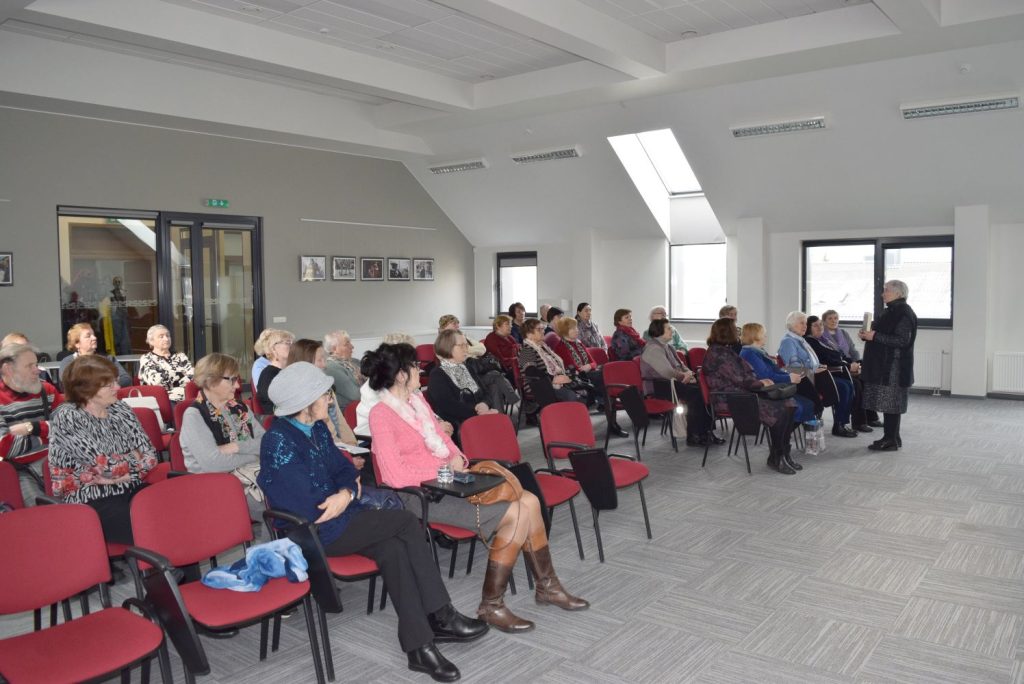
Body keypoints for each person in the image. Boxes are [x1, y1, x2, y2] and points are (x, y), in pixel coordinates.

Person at [257, 362, 488, 681]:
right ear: (304, 402)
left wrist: (346, 493)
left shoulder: (317, 429)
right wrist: (345, 494)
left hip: (345, 516)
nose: (330, 399)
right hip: (312, 531)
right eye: (324, 394)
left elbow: (345, 471)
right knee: (406, 522)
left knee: (394, 550)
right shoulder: (278, 441)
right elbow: (312, 508)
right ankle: (441, 614)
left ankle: (419, 647)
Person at [366, 343, 588, 634]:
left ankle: (547, 586)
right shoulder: (381, 414)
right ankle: (492, 604)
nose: (420, 370)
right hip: (421, 495)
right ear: (400, 375)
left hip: (452, 483)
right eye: (414, 366)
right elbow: (395, 476)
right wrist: (445, 470)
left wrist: (458, 457)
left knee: (531, 501)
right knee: (517, 513)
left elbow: (444, 440)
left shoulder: (417, 402)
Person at [48, 355, 157, 542]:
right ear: (87, 390)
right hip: (89, 498)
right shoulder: (68, 417)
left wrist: (122, 476)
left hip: (131, 487)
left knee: (173, 513)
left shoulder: (120, 409)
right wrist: (134, 457)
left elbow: (152, 456)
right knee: (152, 528)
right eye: (109, 384)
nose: (118, 387)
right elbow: (105, 467)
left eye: (116, 381)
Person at [703, 319, 799, 475]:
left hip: (741, 394)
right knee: (780, 409)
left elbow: (743, 377)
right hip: (729, 399)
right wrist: (760, 383)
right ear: (726, 332)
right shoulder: (718, 354)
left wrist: (760, 382)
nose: (738, 332)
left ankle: (783, 453)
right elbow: (740, 379)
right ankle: (777, 457)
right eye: (735, 329)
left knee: (789, 404)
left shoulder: (724, 350)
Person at [179, 353, 265, 522]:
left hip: (251, 475)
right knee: (275, 505)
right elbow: (214, 464)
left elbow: (266, 443)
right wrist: (255, 455)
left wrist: (237, 447)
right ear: (211, 381)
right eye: (231, 380)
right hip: (216, 485)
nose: (238, 385)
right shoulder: (195, 415)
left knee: (290, 496)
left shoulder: (239, 408)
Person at [0, 342, 65, 502]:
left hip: (60, 463)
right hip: (23, 472)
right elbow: (5, 447)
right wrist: (46, 435)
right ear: (8, 369)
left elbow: (68, 427)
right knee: (39, 511)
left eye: (36, 364)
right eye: (29, 366)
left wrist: (32, 427)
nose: (38, 370)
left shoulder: (47, 390)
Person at [859, 279, 918, 451]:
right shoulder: (890, 311)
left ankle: (890, 439)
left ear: (898, 293)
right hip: (886, 364)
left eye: (886, 290)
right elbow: (881, 331)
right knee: (890, 403)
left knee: (891, 403)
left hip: (894, 366)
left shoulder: (903, 313)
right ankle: (893, 437)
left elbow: (902, 340)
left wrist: (874, 336)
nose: (883, 294)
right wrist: (867, 334)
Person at [640, 319, 719, 446]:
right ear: (659, 331)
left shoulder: (668, 346)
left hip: (672, 383)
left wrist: (690, 374)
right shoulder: (653, 349)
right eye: (668, 328)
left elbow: (682, 365)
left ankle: (707, 432)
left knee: (704, 389)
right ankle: (694, 435)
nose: (672, 330)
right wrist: (683, 377)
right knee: (696, 394)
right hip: (658, 386)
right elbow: (667, 372)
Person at [778, 311, 857, 438]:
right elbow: (794, 367)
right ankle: (782, 434)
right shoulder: (789, 341)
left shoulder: (800, 340)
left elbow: (810, 360)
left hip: (814, 376)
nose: (805, 326)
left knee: (848, 385)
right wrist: (812, 370)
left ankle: (840, 423)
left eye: (805, 323)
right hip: (804, 380)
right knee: (842, 388)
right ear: (791, 325)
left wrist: (818, 366)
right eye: (801, 323)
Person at [552, 317, 622, 433]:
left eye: (576, 327)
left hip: (589, 374)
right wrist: (588, 367)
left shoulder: (579, 343)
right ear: (565, 331)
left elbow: (593, 362)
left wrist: (589, 366)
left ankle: (612, 417)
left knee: (606, 377)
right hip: (578, 377)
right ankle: (613, 419)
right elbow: (574, 368)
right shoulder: (561, 347)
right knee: (605, 381)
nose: (577, 330)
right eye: (573, 328)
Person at [804, 315, 871, 433]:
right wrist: (848, 366)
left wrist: (852, 363)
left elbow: (839, 354)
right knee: (848, 386)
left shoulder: (823, 340)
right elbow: (826, 360)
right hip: (824, 374)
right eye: (815, 325)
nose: (820, 327)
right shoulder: (810, 341)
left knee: (862, 380)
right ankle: (840, 424)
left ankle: (864, 420)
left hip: (837, 369)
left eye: (820, 324)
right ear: (808, 328)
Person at [739, 323, 814, 426]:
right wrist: (789, 378)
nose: (766, 336)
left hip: (772, 388)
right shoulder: (749, 353)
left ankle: (793, 431)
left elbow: (774, 370)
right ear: (755, 336)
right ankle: (786, 433)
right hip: (764, 392)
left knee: (808, 400)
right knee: (802, 404)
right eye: (763, 334)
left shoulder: (757, 351)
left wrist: (789, 375)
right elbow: (765, 376)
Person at [288, 338, 359, 447]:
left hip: (341, 447)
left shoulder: (327, 389)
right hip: (328, 448)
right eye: (319, 360)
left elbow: (341, 422)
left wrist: (352, 444)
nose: (324, 365)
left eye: (324, 360)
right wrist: (346, 452)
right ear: (305, 363)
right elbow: (327, 436)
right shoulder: (300, 397)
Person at [427, 330, 500, 434]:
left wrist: (485, 403)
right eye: (461, 346)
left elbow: (485, 392)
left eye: (466, 345)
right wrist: (479, 413)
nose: (466, 349)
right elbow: (448, 406)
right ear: (448, 347)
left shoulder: (467, 367)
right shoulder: (438, 374)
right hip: (459, 425)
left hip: (478, 418)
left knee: (502, 426)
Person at [822, 309, 880, 428]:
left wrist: (855, 363)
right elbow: (831, 357)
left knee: (866, 380)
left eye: (836, 318)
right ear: (824, 321)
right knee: (857, 385)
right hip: (839, 367)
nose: (833, 321)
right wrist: (849, 366)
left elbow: (853, 350)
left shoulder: (843, 333)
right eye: (830, 318)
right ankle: (859, 422)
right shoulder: (822, 337)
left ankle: (871, 417)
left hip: (851, 363)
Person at [517, 318, 581, 405]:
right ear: (529, 334)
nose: (543, 331)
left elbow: (556, 365)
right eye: (539, 329)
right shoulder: (526, 349)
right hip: (539, 386)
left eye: (543, 328)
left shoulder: (543, 347)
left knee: (584, 388)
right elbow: (530, 371)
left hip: (552, 382)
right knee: (570, 395)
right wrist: (553, 378)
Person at [58, 323, 131, 387]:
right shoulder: (68, 362)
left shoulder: (108, 359)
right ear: (77, 344)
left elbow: (126, 379)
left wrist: (104, 386)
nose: (94, 338)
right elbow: (68, 384)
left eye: (94, 335)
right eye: (88, 336)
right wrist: (103, 384)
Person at [138, 324, 194, 402]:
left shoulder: (180, 356)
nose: (166, 339)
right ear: (151, 341)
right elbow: (157, 382)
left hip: (187, 398)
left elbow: (193, 376)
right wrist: (182, 374)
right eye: (161, 337)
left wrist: (169, 379)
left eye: (168, 336)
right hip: (162, 400)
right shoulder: (147, 359)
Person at [255, 329, 293, 414]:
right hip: (279, 418)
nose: (292, 346)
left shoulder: (288, 371)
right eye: (287, 343)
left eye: (292, 343)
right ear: (273, 348)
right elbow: (278, 404)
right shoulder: (268, 374)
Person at [323, 329, 362, 412]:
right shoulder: (331, 367)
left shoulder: (355, 362)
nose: (352, 346)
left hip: (363, 407)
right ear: (334, 349)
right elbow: (356, 395)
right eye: (346, 344)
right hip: (350, 413)